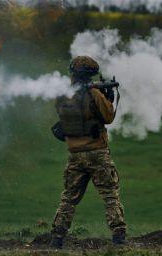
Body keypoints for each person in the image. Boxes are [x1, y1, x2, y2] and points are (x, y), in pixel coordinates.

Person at [50, 56, 127, 249]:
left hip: (75, 153)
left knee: (69, 197)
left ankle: (57, 237)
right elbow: (108, 117)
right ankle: (119, 235)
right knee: (110, 194)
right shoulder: (93, 93)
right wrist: (107, 98)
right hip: (96, 152)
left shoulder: (62, 94)